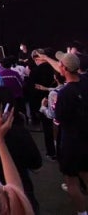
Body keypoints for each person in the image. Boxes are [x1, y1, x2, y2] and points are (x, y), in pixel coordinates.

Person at [51, 51, 88, 213]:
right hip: (86, 137)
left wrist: (51, 105)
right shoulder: (85, 82)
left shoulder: (64, 94)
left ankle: (82, 212)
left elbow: (58, 119)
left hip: (71, 144)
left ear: (64, 68)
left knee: (71, 182)